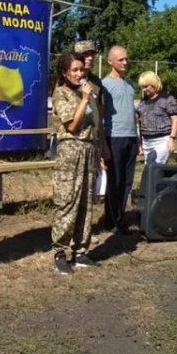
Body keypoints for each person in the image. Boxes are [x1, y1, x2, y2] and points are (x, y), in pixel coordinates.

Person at [51, 53, 105, 274]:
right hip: (71, 149)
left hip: (89, 149)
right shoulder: (60, 94)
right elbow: (72, 125)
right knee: (68, 201)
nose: (80, 73)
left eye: (82, 69)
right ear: (65, 73)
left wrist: (100, 151)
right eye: (74, 70)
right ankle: (60, 252)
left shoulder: (89, 91)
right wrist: (83, 100)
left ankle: (81, 251)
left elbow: (96, 123)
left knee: (86, 202)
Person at [100, 45, 137, 234]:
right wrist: (103, 144)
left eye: (126, 59)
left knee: (127, 181)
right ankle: (111, 219)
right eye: (121, 59)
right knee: (115, 180)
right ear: (110, 61)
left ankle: (120, 217)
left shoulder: (130, 84)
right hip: (113, 137)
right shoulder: (104, 84)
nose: (125, 62)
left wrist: (137, 138)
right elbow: (99, 114)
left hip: (131, 137)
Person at [135, 71, 177, 165]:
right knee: (149, 169)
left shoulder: (167, 99)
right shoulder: (142, 103)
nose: (144, 90)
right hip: (147, 142)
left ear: (154, 84)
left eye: (146, 86)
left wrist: (172, 139)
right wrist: (139, 143)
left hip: (162, 140)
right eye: (142, 87)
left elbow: (175, 120)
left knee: (155, 166)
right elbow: (138, 123)